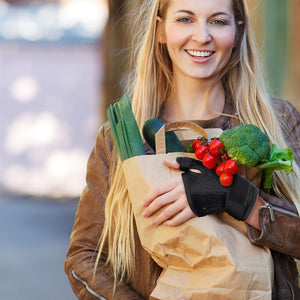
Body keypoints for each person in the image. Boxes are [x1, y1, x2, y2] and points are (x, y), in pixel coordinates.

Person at [64, 0, 300, 299]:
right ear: (160, 29)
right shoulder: (119, 138)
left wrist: (234, 196)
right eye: (185, 19)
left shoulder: (277, 122)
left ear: (238, 31)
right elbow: (84, 258)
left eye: (218, 21)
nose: (202, 36)